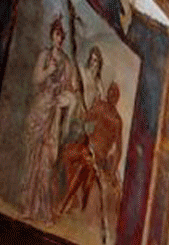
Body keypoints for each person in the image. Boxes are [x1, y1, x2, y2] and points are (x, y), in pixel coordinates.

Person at [19, 16, 77, 222]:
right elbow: (36, 79)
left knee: (47, 160)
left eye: (62, 36)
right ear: (52, 35)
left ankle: (43, 209)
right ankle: (27, 207)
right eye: (56, 34)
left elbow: (69, 90)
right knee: (32, 156)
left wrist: (68, 100)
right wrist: (48, 71)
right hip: (40, 109)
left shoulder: (67, 63)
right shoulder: (44, 55)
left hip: (53, 114)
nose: (59, 39)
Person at [56, 82, 123, 218]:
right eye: (110, 91)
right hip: (86, 146)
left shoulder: (117, 120)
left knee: (84, 166)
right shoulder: (99, 105)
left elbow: (119, 149)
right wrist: (86, 131)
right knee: (67, 153)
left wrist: (113, 170)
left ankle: (66, 204)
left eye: (115, 93)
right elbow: (86, 120)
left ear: (117, 98)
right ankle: (74, 199)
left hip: (99, 156)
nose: (111, 95)